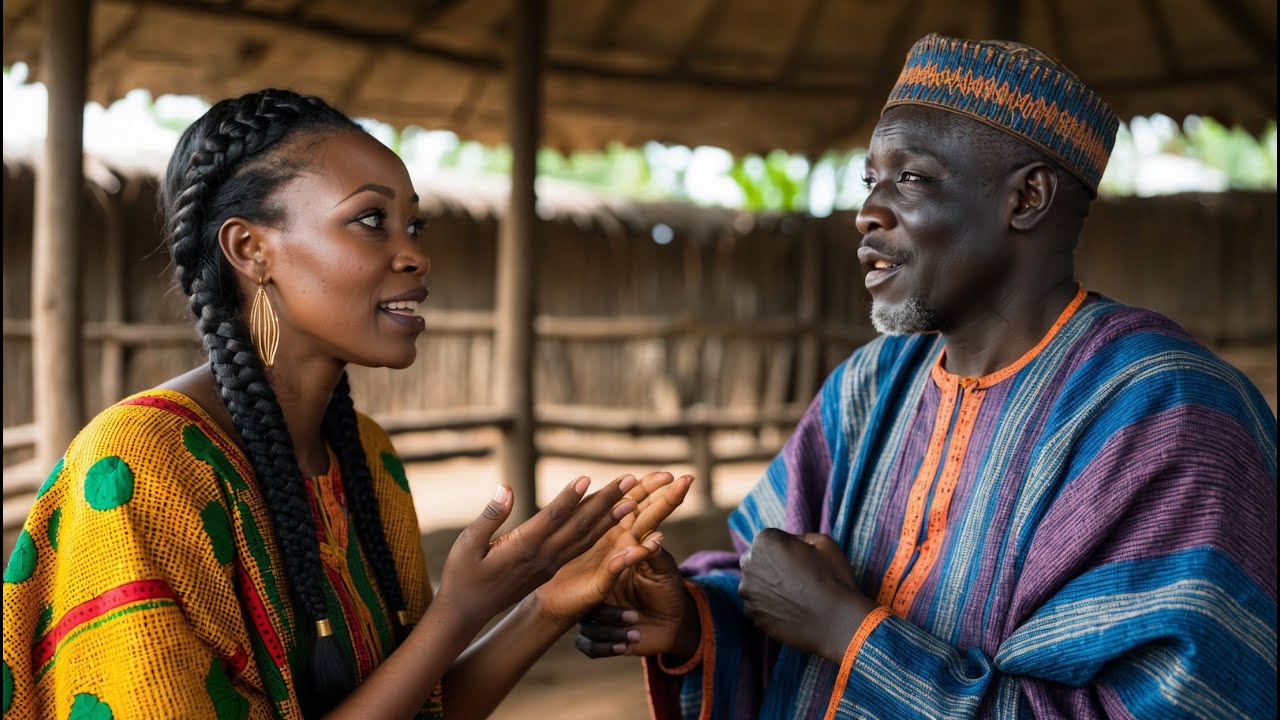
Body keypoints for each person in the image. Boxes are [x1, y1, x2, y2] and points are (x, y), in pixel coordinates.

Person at [576, 33, 1277, 719]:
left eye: (909, 178)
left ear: (1026, 199)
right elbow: (771, 593)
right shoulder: (869, 386)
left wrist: (848, 631)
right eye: (869, 180)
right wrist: (694, 623)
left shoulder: (1170, 416)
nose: (868, 213)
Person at [1, 89, 695, 719]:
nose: (414, 255)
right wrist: (458, 612)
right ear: (251, 249)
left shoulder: (365, 457)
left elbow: (416, 709)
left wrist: (546, 598)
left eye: (413, 226)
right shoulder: (138, 468)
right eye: (371, 220)